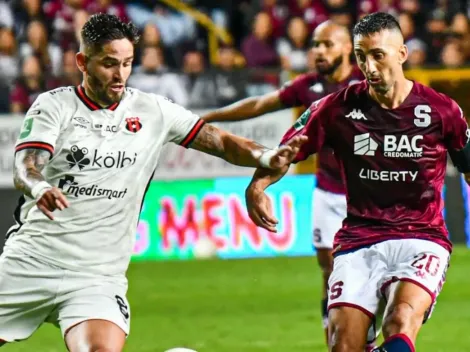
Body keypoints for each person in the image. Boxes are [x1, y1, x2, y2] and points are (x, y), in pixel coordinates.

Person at [0, 14, 307, 351]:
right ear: (82, 62)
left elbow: (220, 141)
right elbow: (26, 165)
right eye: (109, 64)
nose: (120, 75)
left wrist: (265, 157)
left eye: (127, 63)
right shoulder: (55, 105)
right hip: (30, 263)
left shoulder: (153, 111)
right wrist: (40, 186)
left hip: (96, 277)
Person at [245, 12, 470, 352]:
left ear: (401, 54)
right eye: (361, 55)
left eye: (378, 54)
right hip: (359, 240)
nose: (369, 66)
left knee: (399, 320)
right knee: (343, 345)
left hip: (422, 238)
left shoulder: (441, 110)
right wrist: (258, 186)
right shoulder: (335, 109)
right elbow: (285, 153)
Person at [202, 20, 374, 349]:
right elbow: (258, 105)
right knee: (331, 272)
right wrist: (207, 118)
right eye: (315, 45)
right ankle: (337, 337)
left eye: (327, 44)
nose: (319, 51)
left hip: (366, 196)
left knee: (364, 276)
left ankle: (364, 332)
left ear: (347, 49)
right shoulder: (308, 86)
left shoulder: (366, 86)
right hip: (327, 193)